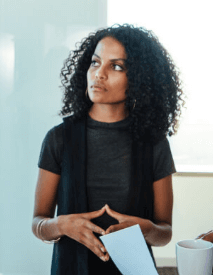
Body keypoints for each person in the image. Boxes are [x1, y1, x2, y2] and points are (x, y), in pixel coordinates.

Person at [31, 24, 184, 274]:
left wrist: (145, 230)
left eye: (116, 66)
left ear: (138, 79)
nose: (99, 74)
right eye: (95, 62)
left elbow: (164, 232)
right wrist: (61, 225)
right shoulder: (59, 139)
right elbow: (38, 222)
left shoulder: (153, 143)